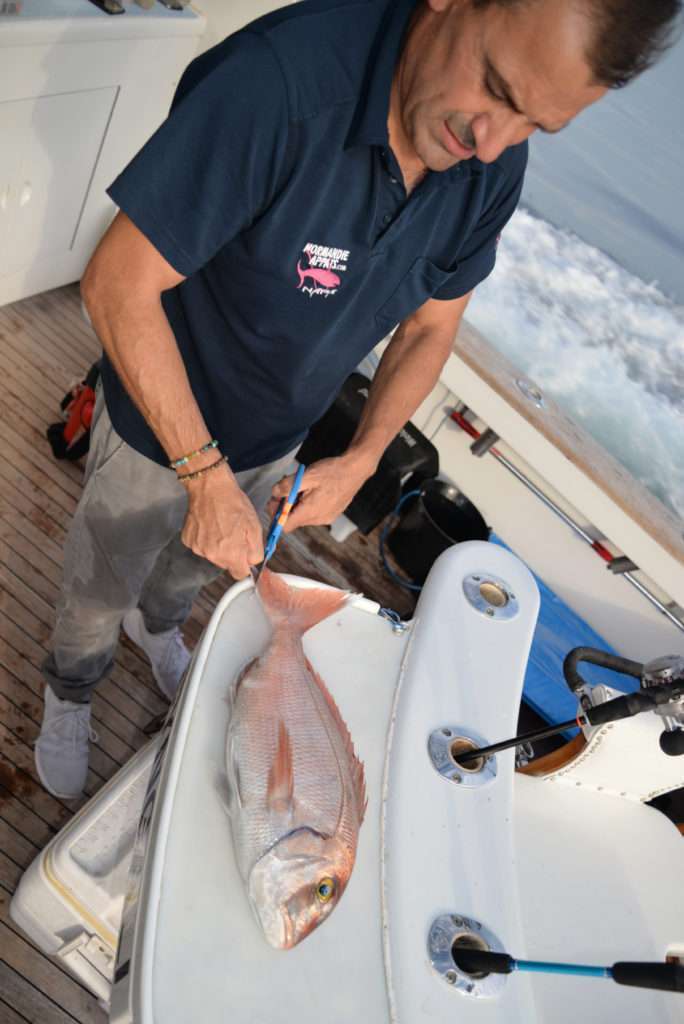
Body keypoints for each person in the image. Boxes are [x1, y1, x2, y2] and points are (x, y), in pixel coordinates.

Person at [35, 0, 681, 799]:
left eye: (533, 126)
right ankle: (70, 688)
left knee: (193, 568)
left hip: (279, 435)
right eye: (495, 87)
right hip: (156, 420)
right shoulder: (277, 85)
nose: (493, 143)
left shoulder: (491, 165)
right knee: (102, 582)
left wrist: (363, 456)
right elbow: (118, 282)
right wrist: (202, 475)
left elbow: (430, 327)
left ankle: (158, 625)